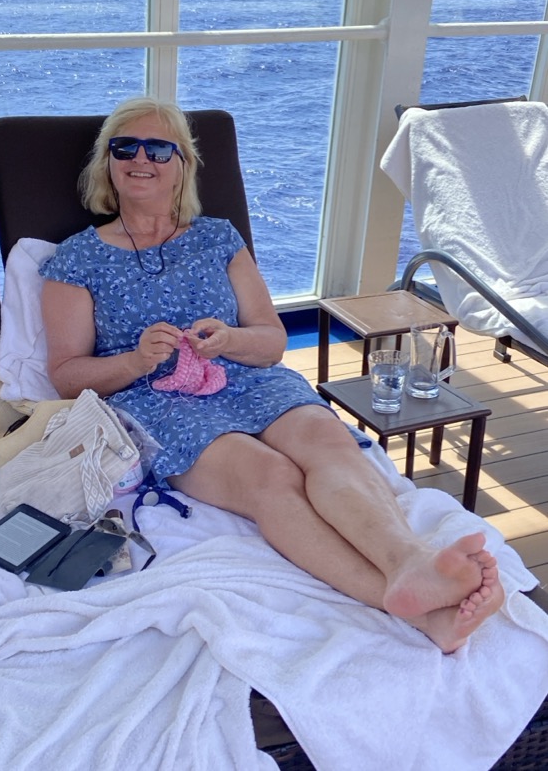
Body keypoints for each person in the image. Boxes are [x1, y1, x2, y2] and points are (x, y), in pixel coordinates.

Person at [39, 96, 504, 653]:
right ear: (107, 162)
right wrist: (136, 360)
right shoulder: (77, 259)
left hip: (248, 378)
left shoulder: (218, 238)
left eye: (159, 148)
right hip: (155, 399)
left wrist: (230, 340)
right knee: (271, 476)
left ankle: (410, 561)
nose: (141, 158)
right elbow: (66, 376)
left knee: (329, 445)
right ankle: (404, 604)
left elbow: (272, 342)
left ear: (183, 164)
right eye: (125, 147)